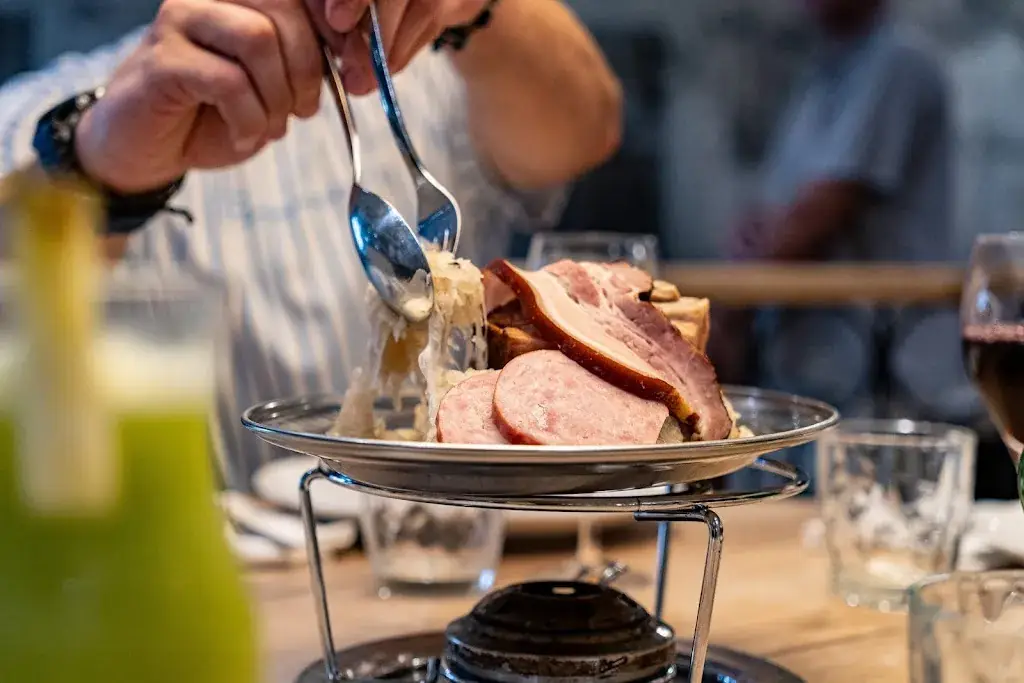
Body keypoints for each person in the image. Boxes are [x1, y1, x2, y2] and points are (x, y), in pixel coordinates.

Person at [0, 0, 623, 487]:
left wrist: (481, 11)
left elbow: (587, 128)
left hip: (441, 537)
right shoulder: (41, 114)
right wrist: (97, 170)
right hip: (207, 559)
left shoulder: (434, 74)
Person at [721, 0, 956, 486]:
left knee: (867, 515)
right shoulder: (824, 72)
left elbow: (824, 209)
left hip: (878, 375)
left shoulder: (897, 62)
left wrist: (730, 314)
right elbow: (779, 214)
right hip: (814, 368)